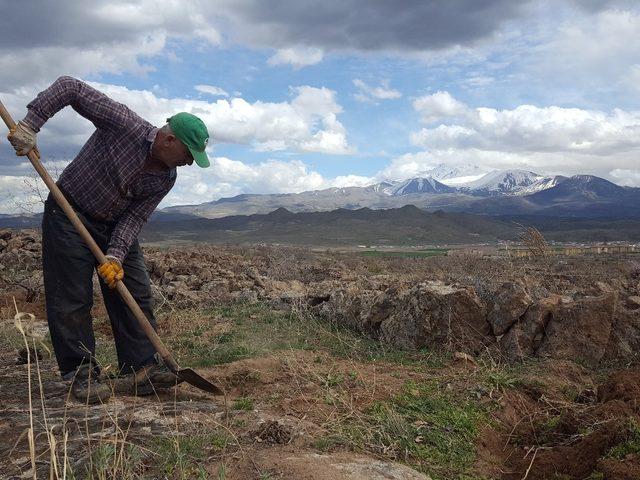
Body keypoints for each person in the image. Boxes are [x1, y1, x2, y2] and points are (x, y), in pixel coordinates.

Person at [6, 76, 211, 403]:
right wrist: (31, 124)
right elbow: (69, 87)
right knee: (72, 295)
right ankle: (81, 373)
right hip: (69, 212)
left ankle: (140, 369)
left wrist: (115, 256)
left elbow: (135, 217)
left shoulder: (165, 178)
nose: (189, 163)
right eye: (188, 154)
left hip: (114, 227)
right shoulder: (124, 123)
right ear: (169, 140)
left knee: (134, 290)